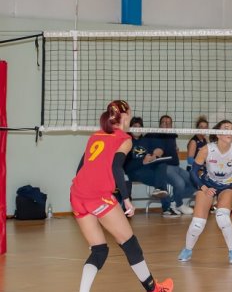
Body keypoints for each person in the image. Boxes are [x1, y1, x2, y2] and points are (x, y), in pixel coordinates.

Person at [70, 100, 173, 292]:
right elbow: (116, 166)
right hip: (96, 196)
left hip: (77, 194)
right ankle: (154, 289)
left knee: (99, 249)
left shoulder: (95, 136)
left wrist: (84, 186)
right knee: (129, 243)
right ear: (124, 116)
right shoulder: (124, 138)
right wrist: (126, 199)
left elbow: (81, 167)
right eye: (130, 114)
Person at [178, 120, 232, 264]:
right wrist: (202, 187)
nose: (230, 131)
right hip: (208, 183)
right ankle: (188, 249)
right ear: (218, 134)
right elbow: (193, 172)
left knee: (222, 217)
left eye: (231, 129)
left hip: (228, 185)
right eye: (226, 128)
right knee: (198, 223)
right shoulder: (206, 149)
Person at [125, 117, 176, 217]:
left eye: (140, 127)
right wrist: (142, 162)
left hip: (147, 169)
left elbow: (158, 150)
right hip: (133, 171)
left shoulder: (146, 140)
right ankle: (167, 207)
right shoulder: (127, 142)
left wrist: (154, 157)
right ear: (130, 128)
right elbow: (126, 166)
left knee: (161, 165)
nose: (138, 129)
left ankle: (160, 190)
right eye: (135, 126)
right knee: (162, 180)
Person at [157, 115, 196, 215]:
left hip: (176, 166)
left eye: (169, 123)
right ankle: (179, 204)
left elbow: (174, 150)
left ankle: (174, 201)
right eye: (164, 123)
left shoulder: (172, 135)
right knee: (180, 183)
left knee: (194, 182)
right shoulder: (155, 136)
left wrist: (176, 151)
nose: (166, 125)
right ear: (160, 125)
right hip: (164, 167)